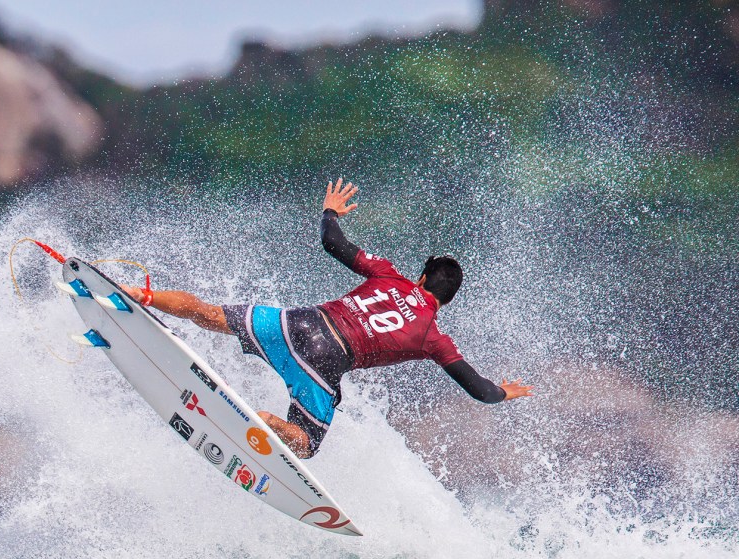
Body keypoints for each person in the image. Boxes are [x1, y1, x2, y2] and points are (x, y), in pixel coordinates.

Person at [123, 179, 533, 459]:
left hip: (300, 323)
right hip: (327, 360)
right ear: (447, 300)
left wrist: (330, 211)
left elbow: (331, 242)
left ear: (421, 278)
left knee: (209, 314)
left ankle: (137, 294)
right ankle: (267, 421)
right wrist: (504, 392)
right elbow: (479, 390)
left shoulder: (389, 275)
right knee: (304, 446)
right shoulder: (434, 338)